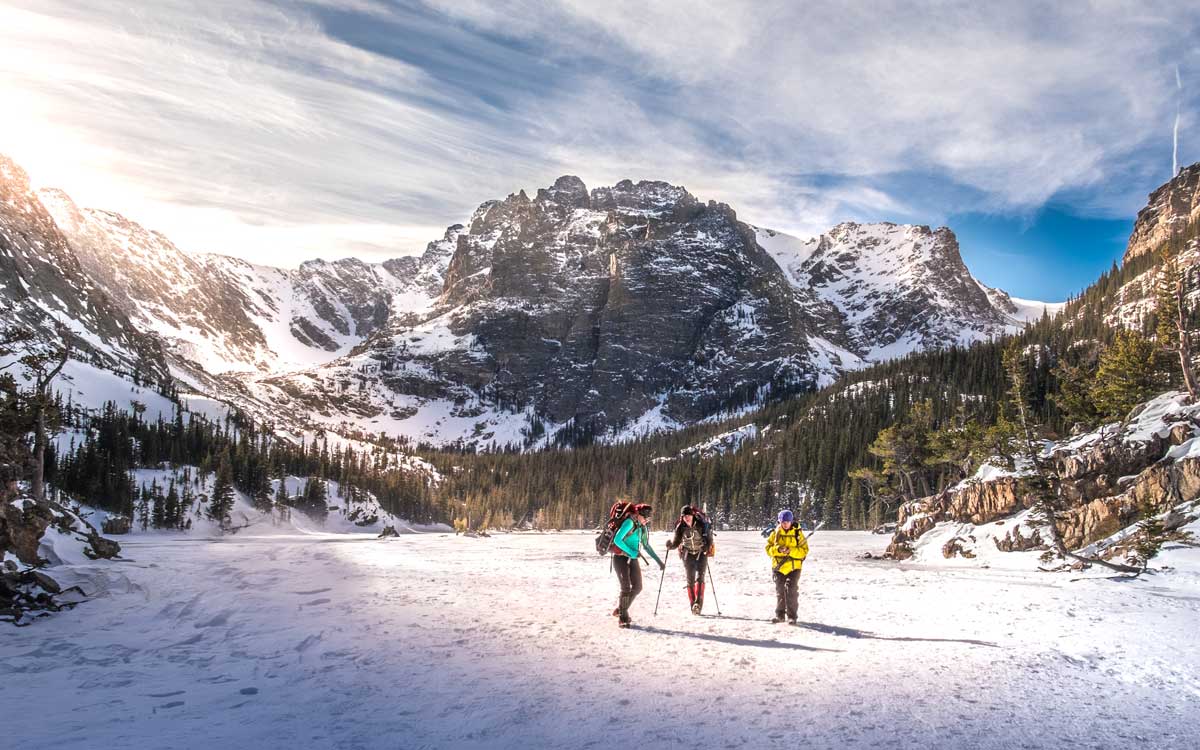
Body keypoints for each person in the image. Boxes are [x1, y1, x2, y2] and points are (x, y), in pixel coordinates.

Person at [611, 503, 664, 628]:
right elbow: (617, 540)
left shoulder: (642, 528)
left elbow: (646, 546)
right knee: (626, 587)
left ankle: (621, 609)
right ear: (639, 514)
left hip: (633, 559)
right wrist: (631, 552)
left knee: (638, 587)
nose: (647, 520)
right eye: (646, 517)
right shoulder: (629, 523)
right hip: (620, 559)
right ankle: (623, 618)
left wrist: (658, 561)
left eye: (649, 518)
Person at [665, 505, 713, 615]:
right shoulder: (680, 527)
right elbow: (676, 542)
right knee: (690, 580)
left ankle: (698, 604)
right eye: (684, 516)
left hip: (701, 553)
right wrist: (670, 546)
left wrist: (707, 546)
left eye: (688, 515)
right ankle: (693, 606)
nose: (687, 518)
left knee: (700, 578)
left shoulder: (701, 525)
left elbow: (709, 539)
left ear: (692, 515)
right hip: (687, 554)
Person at [765, 509, 808, 624]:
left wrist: (791, 551)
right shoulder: (774, 534)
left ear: (791, 521)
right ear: (779, 522)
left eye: (787, 521)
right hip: (779, 568)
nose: (785, 524)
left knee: (792, 591)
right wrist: (779, 550)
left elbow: (804, 551)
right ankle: (780, 616)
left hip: (794, 568)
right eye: (783, 522)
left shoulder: (798, 534)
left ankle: (792, 617)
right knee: (780, 591)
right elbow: (768, 549)